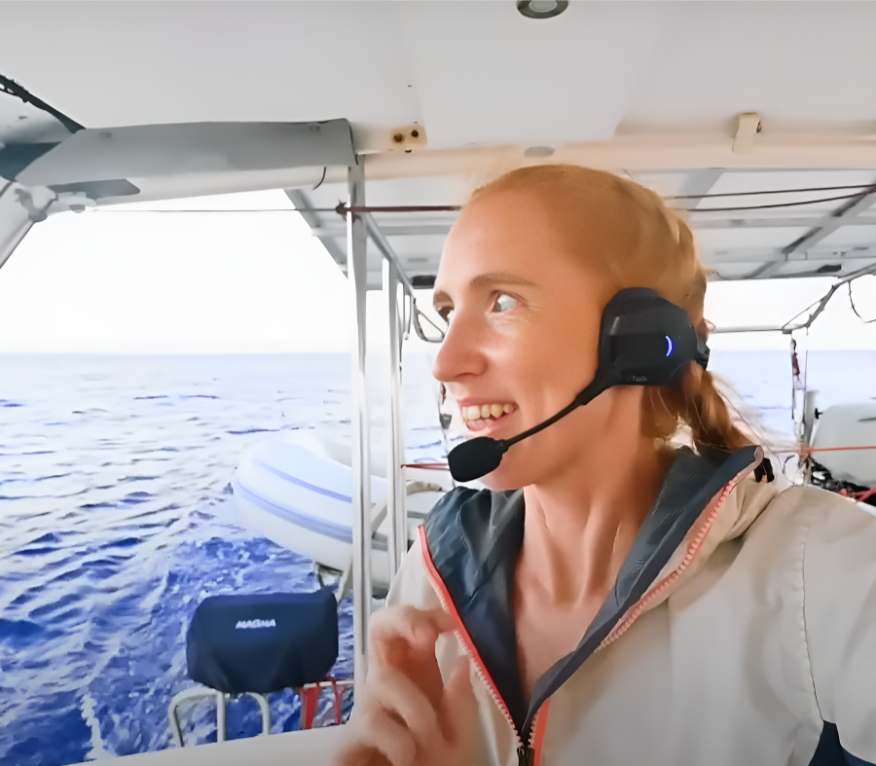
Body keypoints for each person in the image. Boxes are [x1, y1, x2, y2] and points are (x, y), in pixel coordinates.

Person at [333, 165, 876, 766]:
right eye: (446, 311)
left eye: (502, 301)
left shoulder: (817, 569)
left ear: (639, 341)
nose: (446, 362)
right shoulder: (432, 566)